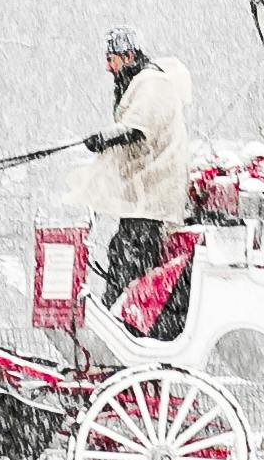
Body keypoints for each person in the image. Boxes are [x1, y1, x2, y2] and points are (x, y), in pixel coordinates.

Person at [82, 25, 194, 310]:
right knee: (125, 250)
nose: (108, 68)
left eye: (112, 60)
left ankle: (122, 316)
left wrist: (104, 138)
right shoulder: (141, 83)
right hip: (145, 196)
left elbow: (136, 128)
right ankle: (120, 309)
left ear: (128, 55)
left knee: (129, 253)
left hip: (153, 194)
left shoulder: (151, 83)